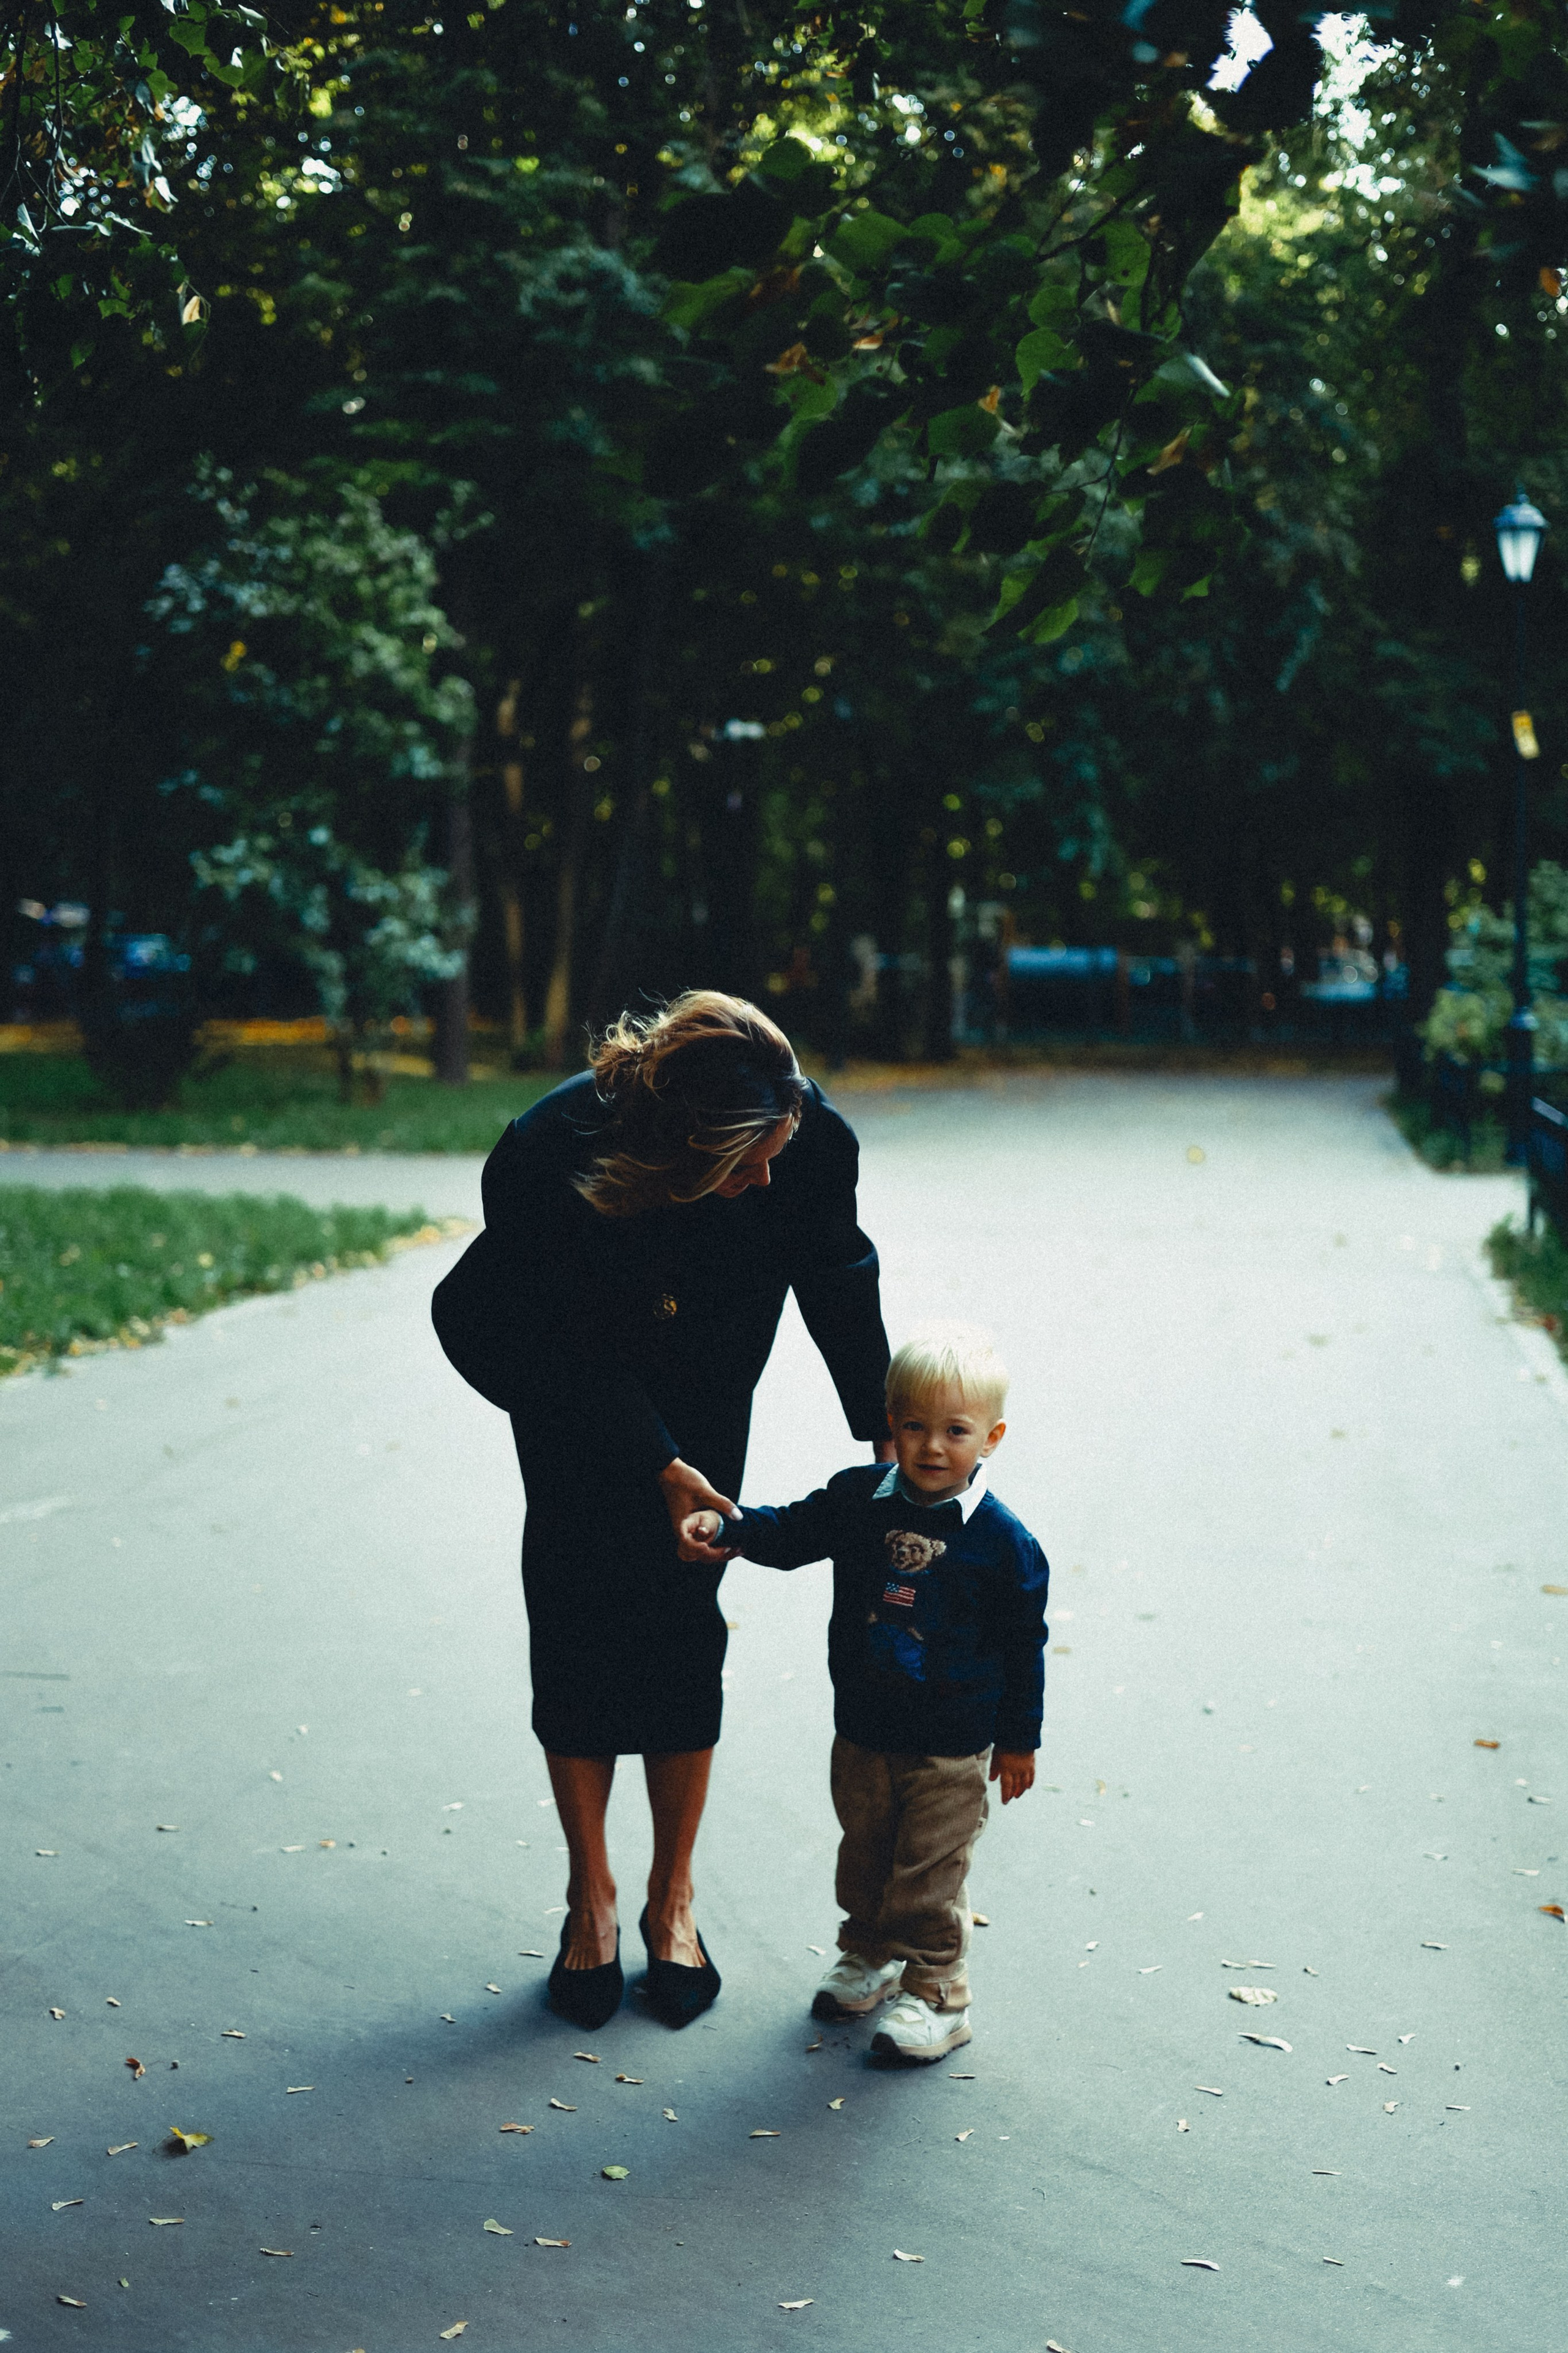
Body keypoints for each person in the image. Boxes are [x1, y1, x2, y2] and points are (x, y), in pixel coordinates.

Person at [431, 991, 891, 2030]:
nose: (769, 1175)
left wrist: (887, 1427)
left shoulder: (807, 1141)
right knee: (578, 1611)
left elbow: (837, 1270)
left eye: (778, 1149)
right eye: (745, 1163)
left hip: (709, 1383)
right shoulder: (549, 1155)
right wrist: (650, 1457)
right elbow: (542, 1338)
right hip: (567, 1394)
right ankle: (589, 1897)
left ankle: (669, 1897)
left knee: (683, 1616)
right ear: (680, 1148)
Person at [679, 1325, 1048, 2065]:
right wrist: (734, 1526)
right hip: (864, 1728)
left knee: (929, 1872)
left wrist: (1018, 1740)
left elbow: (1022, 1647)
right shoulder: (858, 1499)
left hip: (951, 1743)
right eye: (914, 1426)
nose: (933, 1447)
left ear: (992, 1437)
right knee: (867, 1852)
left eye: (955, 1431)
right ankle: (871, 1952)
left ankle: (939, 1989)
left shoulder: (1004, 1542)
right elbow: (791, 1530)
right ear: (891, 1425)